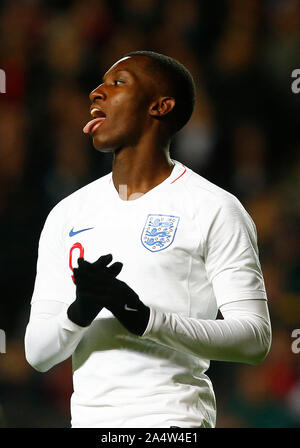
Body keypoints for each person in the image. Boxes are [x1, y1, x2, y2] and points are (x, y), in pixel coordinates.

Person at [24, 51, 272, 428]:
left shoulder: (214, 208)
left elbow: (254, 339)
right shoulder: (67, 214)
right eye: (100, 83)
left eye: (118, 82)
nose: (96, 93)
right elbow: (38, 353)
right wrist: (80, 310)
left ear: (160, 105)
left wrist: (143, 318)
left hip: (172, 422)